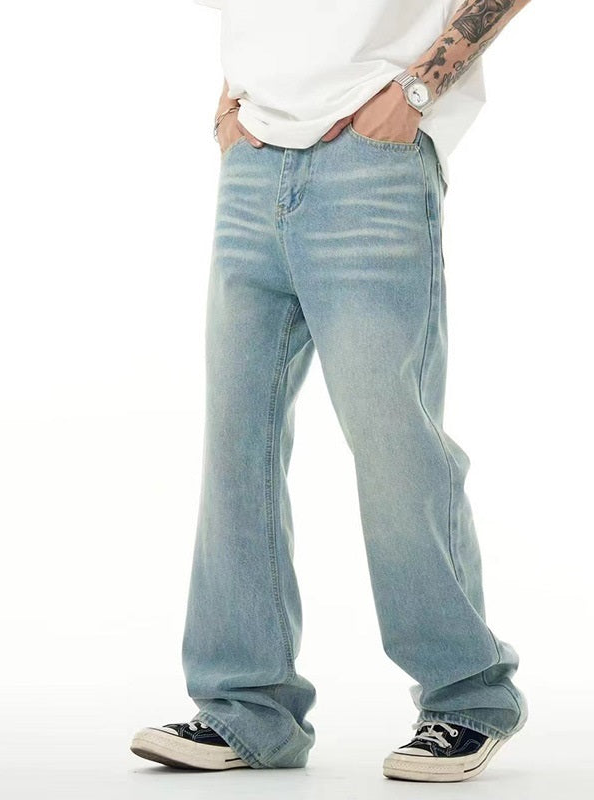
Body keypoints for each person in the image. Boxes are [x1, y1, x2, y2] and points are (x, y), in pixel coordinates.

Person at [131, 0, 533, 783]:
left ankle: (469, 698)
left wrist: (416, 93)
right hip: (253, 160)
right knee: (237, 448)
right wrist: (228, 104)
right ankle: (248, 708)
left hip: (372, 157)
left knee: (393, 443)